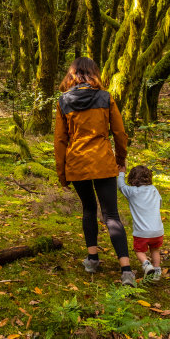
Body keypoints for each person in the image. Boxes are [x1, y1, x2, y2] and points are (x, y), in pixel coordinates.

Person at [54, 57, 136, 287]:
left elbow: (60, 140)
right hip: (102, 161)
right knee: (111, 214)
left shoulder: (63, 101)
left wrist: (62, 173)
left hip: (77, 162)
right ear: (94, 74)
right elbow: (119, 133)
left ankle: (92, 259)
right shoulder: (106, 97)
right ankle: (126, 269)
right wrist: (121, 159)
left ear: (72, 75)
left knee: (89, 209)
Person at [117, 165, 163, 281]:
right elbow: (160, 203)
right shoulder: (153, 189)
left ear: (132, 178)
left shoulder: (132, 191)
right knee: (155, 250)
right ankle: (157, 271)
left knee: (139, 251)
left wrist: (121, 173)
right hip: (158, 230)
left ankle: (146, 264)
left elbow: (121, 186)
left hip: (141, 232)